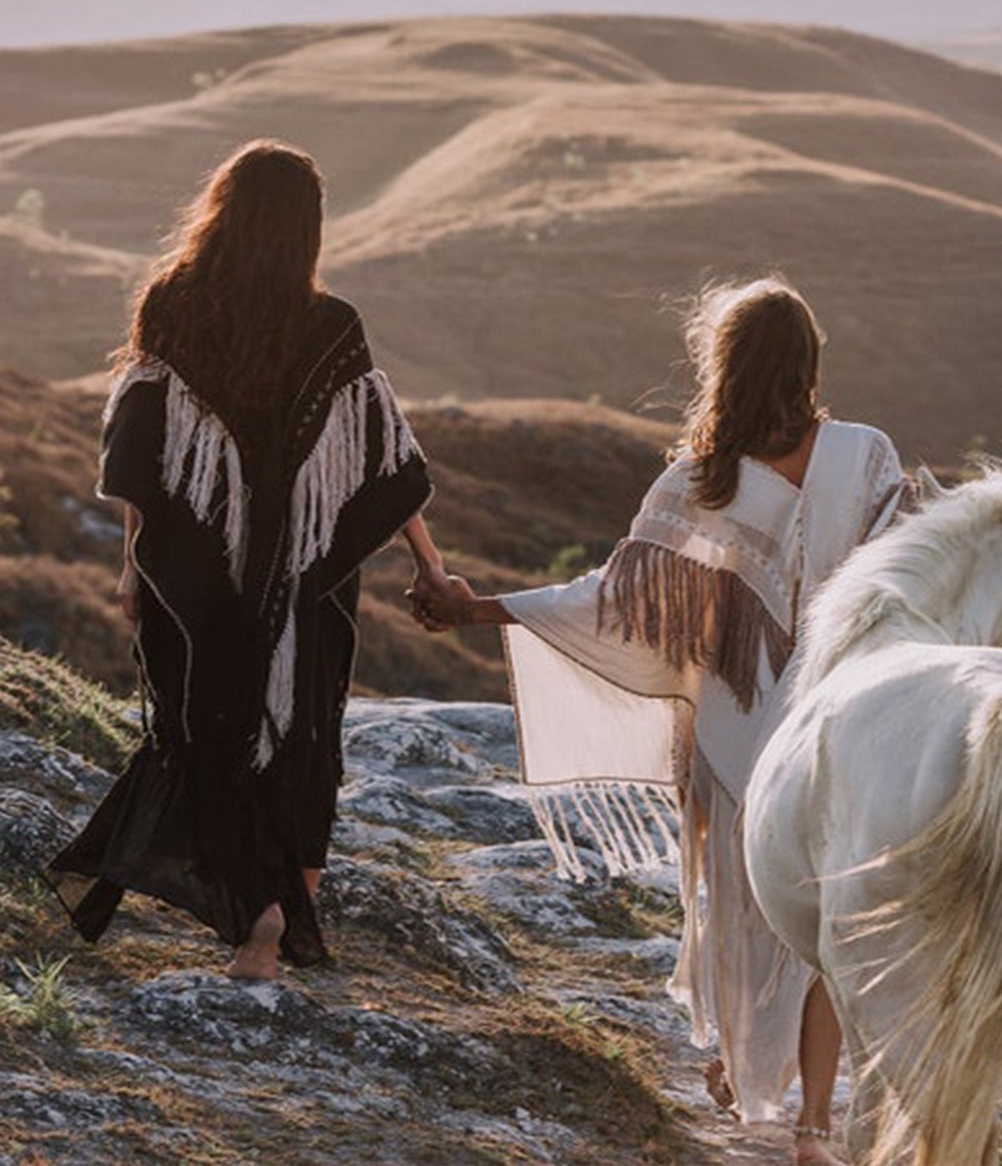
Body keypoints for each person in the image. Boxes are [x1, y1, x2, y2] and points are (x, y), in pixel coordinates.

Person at [417, 277, 905, 1165]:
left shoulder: (699, 483)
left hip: (740, 733)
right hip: (842, 730)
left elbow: (614, 606)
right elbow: (913, 574)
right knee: (828, 924)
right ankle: (810, 1126)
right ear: (809, 361)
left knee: (737, 905)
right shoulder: (867, 457)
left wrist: (479, 606)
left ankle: (737, 1057)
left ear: (722, 367)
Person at [46, 139, 449, 980]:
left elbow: (144, 462)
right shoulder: (333, 327)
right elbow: (390, 461)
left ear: (220, 210)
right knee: (301, 733)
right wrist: (431, 568)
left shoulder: (171, 307)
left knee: (210, 729)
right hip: (305, 581)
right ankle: (284, 913)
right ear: (308, 229)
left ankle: (258, 915)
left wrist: (131, 566)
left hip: (194, 574)